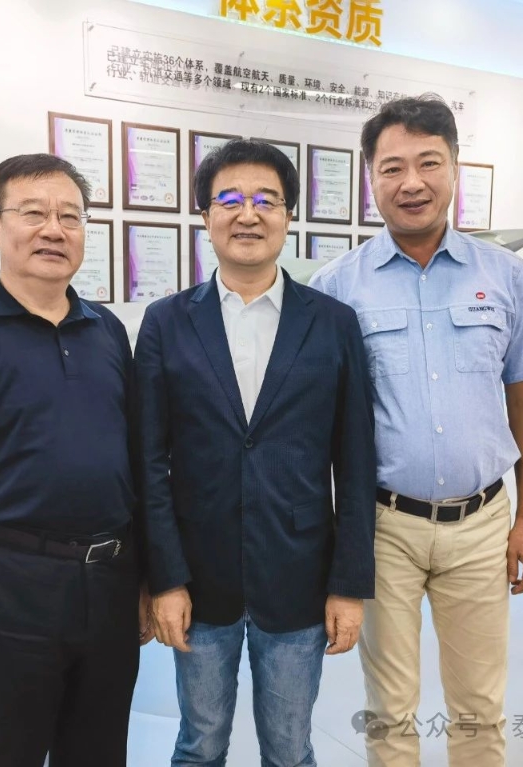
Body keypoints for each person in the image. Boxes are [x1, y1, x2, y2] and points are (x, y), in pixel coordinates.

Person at [310, 95, 523, 767]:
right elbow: (315, 425)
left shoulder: (504, 276)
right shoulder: (337, 287)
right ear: (370, 179)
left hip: (482, 525)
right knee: (389, 710)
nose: (412, 182)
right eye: (392, 167)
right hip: (383, 525)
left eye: (429, 162)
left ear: (455, 168)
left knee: (480, 708)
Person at [0, 153, 152, 767]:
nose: (53, 230)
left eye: (71, 216)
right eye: (33, 213)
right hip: (10, 585)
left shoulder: (106, 330)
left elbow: (134, 466)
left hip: (110, 581)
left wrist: (147, 578)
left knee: (99, 754)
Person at [136, 139, 377, 767]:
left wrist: (349, 586)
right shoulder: (166, 322)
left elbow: (355, 463)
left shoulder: (333, 322)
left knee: (290, 748)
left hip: (299, 576)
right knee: (199, 743)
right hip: (197, 578)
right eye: (230, 200)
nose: (249, 214)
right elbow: (149, 464)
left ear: (289, 215)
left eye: (267, 200)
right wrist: (164, 578)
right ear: (205, 216)